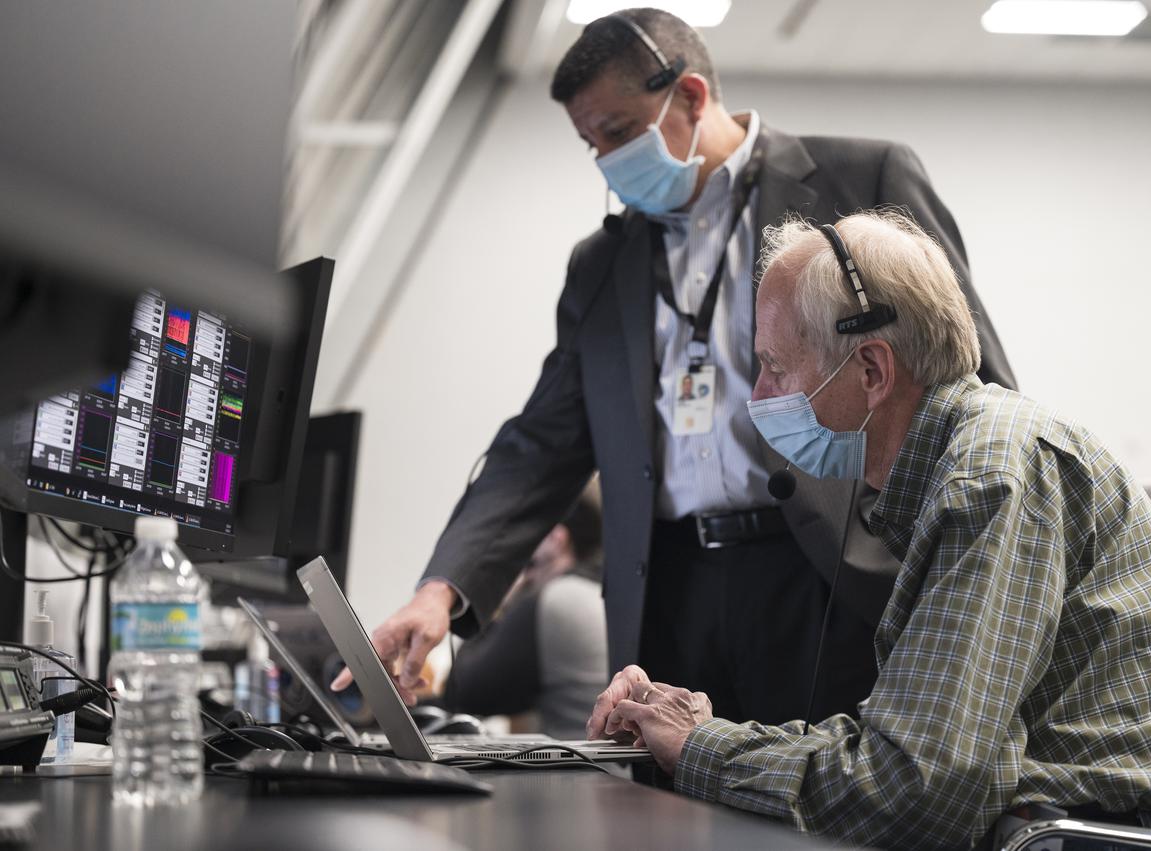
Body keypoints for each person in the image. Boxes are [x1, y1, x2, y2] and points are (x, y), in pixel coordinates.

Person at [333, 8, 1016, 728]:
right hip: (668, 589)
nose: (605, 159)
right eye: (589, 143)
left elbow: (965, 373)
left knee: (821, 816)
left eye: (620, 131)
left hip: (825, 571)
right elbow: (539, 443)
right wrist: (440, 590)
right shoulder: (603, 264)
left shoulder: (861, 179)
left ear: (690, 95)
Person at [587, 210, 1151, 848]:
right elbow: (907, 750)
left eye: (775, 368)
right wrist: (702, 729)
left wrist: (703, 749)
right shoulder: (965, 464)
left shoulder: (992, 475)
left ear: (872, 369)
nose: (758, 398)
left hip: (1102, 839)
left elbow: (919, 787)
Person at [440, 489, 607, 740]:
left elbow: (463, 693)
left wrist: (497, 602)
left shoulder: (554, 600)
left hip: (584, 773)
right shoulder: (601, 592)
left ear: (554, 538)